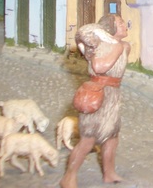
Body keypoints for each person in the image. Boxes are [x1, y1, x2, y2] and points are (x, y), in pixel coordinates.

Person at [60, 14, 131, 188]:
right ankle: (69, 177)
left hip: (113, 96)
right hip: (96, 94)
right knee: (88, 139)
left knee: (112, 136)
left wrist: (118, 47)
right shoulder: (102, 46)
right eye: (120, 23)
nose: (125, 25)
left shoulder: (125, 46)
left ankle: (109, 173)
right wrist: (116, 49)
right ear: (111, 28)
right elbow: (98, 67)